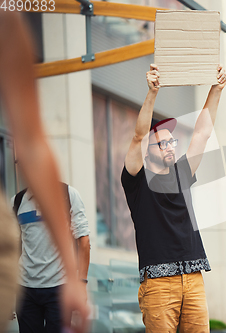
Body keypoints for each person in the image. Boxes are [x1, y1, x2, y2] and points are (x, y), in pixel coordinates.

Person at [121, 63, 226, 332]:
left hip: (193, 279)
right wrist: (152, 92)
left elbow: (202, 132)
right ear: (149, 150)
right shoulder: (136, 180)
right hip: (158, 284)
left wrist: (216, 89)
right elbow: (138, 136)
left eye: (171, 142)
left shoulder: (182, 172)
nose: (169, 146)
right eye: (162, 142)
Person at [0, 12, 88, 333]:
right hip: (27, 286)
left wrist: (74, 280)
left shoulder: (6, 22)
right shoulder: (17, 201)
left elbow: (32, 142)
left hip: (49, 287)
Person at [13, 184, 90, 333]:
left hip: (60, 288)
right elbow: (13, 248)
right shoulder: (17, 201)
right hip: (25, 290)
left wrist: (81, 283)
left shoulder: (69, 195)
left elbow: (84, 242)